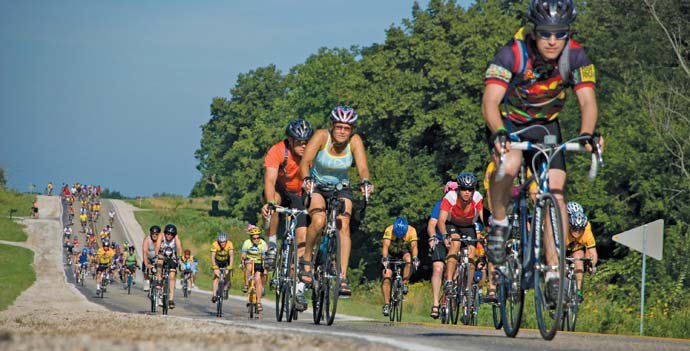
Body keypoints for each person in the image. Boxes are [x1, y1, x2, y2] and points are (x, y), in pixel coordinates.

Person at [482, 0, 603, 305]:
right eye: (546, 33)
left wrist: (587, 134)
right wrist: (499, 133)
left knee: (556, 192)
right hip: (509, 121)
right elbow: (489, 102)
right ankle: (498, 223)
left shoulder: (575, 55)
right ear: (535, 31)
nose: (552, 41)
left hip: (546, 126)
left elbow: (587, 102)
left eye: (560, 33)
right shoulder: (512, 53)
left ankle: (552, 269)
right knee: (508, 166)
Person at [299, 105, 374, 296]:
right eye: (339, 127)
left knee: (345, 224)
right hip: (317, 186)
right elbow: (305, 161)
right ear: (332, 126)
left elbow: (363, 168)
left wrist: (365, 182)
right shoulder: (321, 137)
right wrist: (307, 178)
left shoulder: (355, 141)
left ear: (352, 130)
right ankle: (306, 259)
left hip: (341, 188)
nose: (342, 131)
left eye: (347, 128)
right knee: (318, 220)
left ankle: (342, 275)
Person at [262, 119, 313, 310]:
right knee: (273, 203)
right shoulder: (277, 151)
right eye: (299, 142)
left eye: (307, 141)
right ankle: (273, 244)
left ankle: (299, 289)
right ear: (290, 141)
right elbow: (269, 179)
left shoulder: (312, 154)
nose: (304, 145)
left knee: (302, 239)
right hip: (279, 190)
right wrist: (270, 203)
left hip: (300, 195)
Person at [438, 173, 484, 296]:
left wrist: (489, 234)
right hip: (453, 224)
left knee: (472, 255)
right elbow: (441, 220)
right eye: (463, 189)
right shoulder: (450, 197)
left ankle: (467, 289)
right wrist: (444, 235)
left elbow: (483, 217)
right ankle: (449, 281)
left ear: (474, 190)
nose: (467, 192)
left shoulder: (477, 198)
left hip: (469, 226)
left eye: (470, 189)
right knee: (456, 243)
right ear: (458, 188)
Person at [427, 181, 457, 318]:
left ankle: (450, 295)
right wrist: (433, 237)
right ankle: (435, 303)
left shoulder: (462, 206)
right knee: (438, 268)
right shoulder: (439, 205)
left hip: (455, 240)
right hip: (440, 239)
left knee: (458, 269)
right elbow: (432, 224)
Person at [381, 217, 419, 316]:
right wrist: (385, 258)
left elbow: (414, 246)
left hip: (403, 252)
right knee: (386, 277)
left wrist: (415, 258)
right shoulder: (389, 230)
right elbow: (385, 246)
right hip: (391, 253)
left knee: (408, 259)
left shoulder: (411, 231)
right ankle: (386, 304)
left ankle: (404, 283)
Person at [565, 202, 597, 302]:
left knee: (579, 261)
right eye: (574, 229)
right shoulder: (563, 226)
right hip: (562, 247)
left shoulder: (587, 230)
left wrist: (592, 264)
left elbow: (592, 251)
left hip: (577, 247)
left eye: (580, 230)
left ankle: (577, 291)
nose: (577, 233)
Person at [154, 224, 182, 308]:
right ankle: (159, 278)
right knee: (159, 261)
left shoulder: (176, 238)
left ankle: (171, 300)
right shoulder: (161, 236)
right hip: (162, 254)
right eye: (168, 234)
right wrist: (156, 255)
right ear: (165, 233)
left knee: (172, 276)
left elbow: (179, 247)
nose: (169, 236)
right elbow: (157, 246)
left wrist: (179, 258)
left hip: (172, 256)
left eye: (171, 234)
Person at [240, 224, 267, 312]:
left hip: (259, 263)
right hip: (250, 261)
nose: (256, 240)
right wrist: (243, 260)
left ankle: (259, 302)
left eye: (258, 237)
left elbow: (264, 255)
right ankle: (246, 284)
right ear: (251, 238)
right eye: (254, 238)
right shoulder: (247, 243)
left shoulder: (262, 243)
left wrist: (264, 258)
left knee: (258, 279)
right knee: (249, 267)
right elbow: (243, 254)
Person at [210, 233, 234, 303]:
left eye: (224, 242)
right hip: (217, 261)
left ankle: (226, 288)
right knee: (216, 277)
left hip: (226, 261)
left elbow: (231, 256)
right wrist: (215, 267)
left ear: (226, 241)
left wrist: (229, 267)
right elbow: (212, 256)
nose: (222, 244)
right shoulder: (215, 244)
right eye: (221, 242)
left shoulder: (230, 244)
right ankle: (214, 295)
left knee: (227, 275)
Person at [142, 225, 161, 292]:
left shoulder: (161, 240)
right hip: (149, 257)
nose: (154, 235)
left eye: (156, 234)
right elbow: (144, 251)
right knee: (145, 265)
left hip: (158, 258)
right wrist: (146, 263)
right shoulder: (147, 239)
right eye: (153, 234)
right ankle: (147, 281)